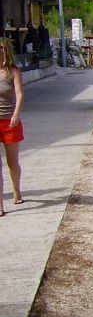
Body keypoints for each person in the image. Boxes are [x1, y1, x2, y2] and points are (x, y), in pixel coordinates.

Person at [0, 38, 24, 216]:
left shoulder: (13, 71)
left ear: (6, 50)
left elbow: (20, 94)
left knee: (12, 162)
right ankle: (0, 204)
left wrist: (16, 114)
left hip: (10, 121)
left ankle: (16, 190)